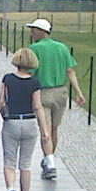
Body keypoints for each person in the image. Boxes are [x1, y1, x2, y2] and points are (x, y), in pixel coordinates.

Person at [0, 45, 51, 191]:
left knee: (9, 161)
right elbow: (38, 107)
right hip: (30, 123)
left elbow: (1, 101)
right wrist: (44, 130)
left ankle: (10, 188)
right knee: (25, 164)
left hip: (12, 123)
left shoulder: (8, 79)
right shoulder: (34, 83)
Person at [26, 17, 87, 179]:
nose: (31, 33)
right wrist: (79, 93)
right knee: (54, 129)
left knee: (45, 129)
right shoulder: (62, 48)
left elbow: (29, 73)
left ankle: (50, 164)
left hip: (43, 92)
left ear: (41, 31)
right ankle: (49, 158)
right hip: (61, 93)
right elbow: (70, 71)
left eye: (33, 30)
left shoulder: (34, 49)